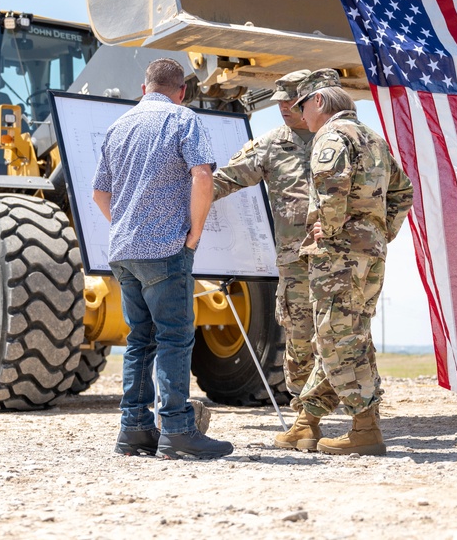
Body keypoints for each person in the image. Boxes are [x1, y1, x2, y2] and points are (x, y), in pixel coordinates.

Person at [92, 57, 234, 460]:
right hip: (166, 249)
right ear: (182, 91)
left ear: (143, 88)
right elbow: (202, 175)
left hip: (123, 251)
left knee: (140, 340)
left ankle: (133, 430)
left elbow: (100, 194)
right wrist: (196, 232)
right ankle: (176, 430)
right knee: (174, 337)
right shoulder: (182, 119)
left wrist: (125, 224)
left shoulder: (118, 127)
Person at [291, 78, 413, 456]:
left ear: (319, 100)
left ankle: (365, 427)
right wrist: (378, 231)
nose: (299, 115)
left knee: (335, 336)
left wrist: (326, 230)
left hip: (338, 253)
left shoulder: (331, 137)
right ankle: (305, 424)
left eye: (301, 107)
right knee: (347, 333)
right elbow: (402, 190)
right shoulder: (373, 138)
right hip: (368, 255)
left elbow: (332, 187)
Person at [211, 69, 330, 450]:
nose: (280, 104)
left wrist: (380, 235)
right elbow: (223, 179)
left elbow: (392, 188)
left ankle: (361, 417)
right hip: (295, 265)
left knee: (345, 334)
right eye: (277, 97)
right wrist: (179, 201)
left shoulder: (343, 139)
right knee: (298, 338)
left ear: (312, 99)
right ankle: (304, 419)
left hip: (342, 262)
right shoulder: (271, 144)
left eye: (289, 98)